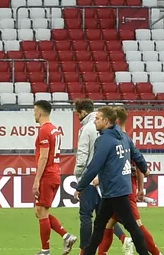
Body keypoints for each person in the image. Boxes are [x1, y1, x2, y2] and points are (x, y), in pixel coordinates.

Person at [76, 107, 155, 255]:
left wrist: (80, 186)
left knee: (131, 226)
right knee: (100, 225)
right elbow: (137, 155)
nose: (95, 121)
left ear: (106, 121)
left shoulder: (104, 140)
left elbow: (94, 166)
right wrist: (144, 169)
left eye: (98, 118)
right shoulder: (123, 136)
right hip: (117, 190)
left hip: (114, 191)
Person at [96, 108, 164, 255]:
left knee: (137, 226)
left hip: (124, 190)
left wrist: (139, 188)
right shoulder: (123, 137)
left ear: (116, 121)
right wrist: (141, 187)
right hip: (118, 189)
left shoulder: (121, 139)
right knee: (109, 224)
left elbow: (139, 165)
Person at [35, 99, 76, 255]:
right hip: (55, 173)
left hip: (47, 175)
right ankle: (66, 236)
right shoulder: (54, 129)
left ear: (39, 113)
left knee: (41, 211)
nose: (34, 114)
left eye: (34, 111)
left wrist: (37, 179)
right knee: (40, 211)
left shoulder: (44, 130)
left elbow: (44, 157)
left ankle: (45, 251)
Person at [73, 99, 102, 255]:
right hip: (103, 179)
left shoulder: (87, 128)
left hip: (89, 178)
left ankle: (85, 251)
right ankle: (124, 238)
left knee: (85, 215)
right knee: (105, 216)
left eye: (78, 113)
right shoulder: (105, 126)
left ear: (83, 111)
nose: (78, 115)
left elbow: (83, 155)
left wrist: (79, 176)